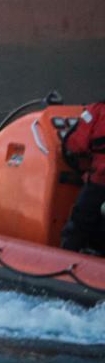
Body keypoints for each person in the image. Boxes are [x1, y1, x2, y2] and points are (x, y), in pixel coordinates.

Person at [60, 101, 105, 254]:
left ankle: (67, 260)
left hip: (100, 181)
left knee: (80, 224)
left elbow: (77, 144)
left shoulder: (96, 111)